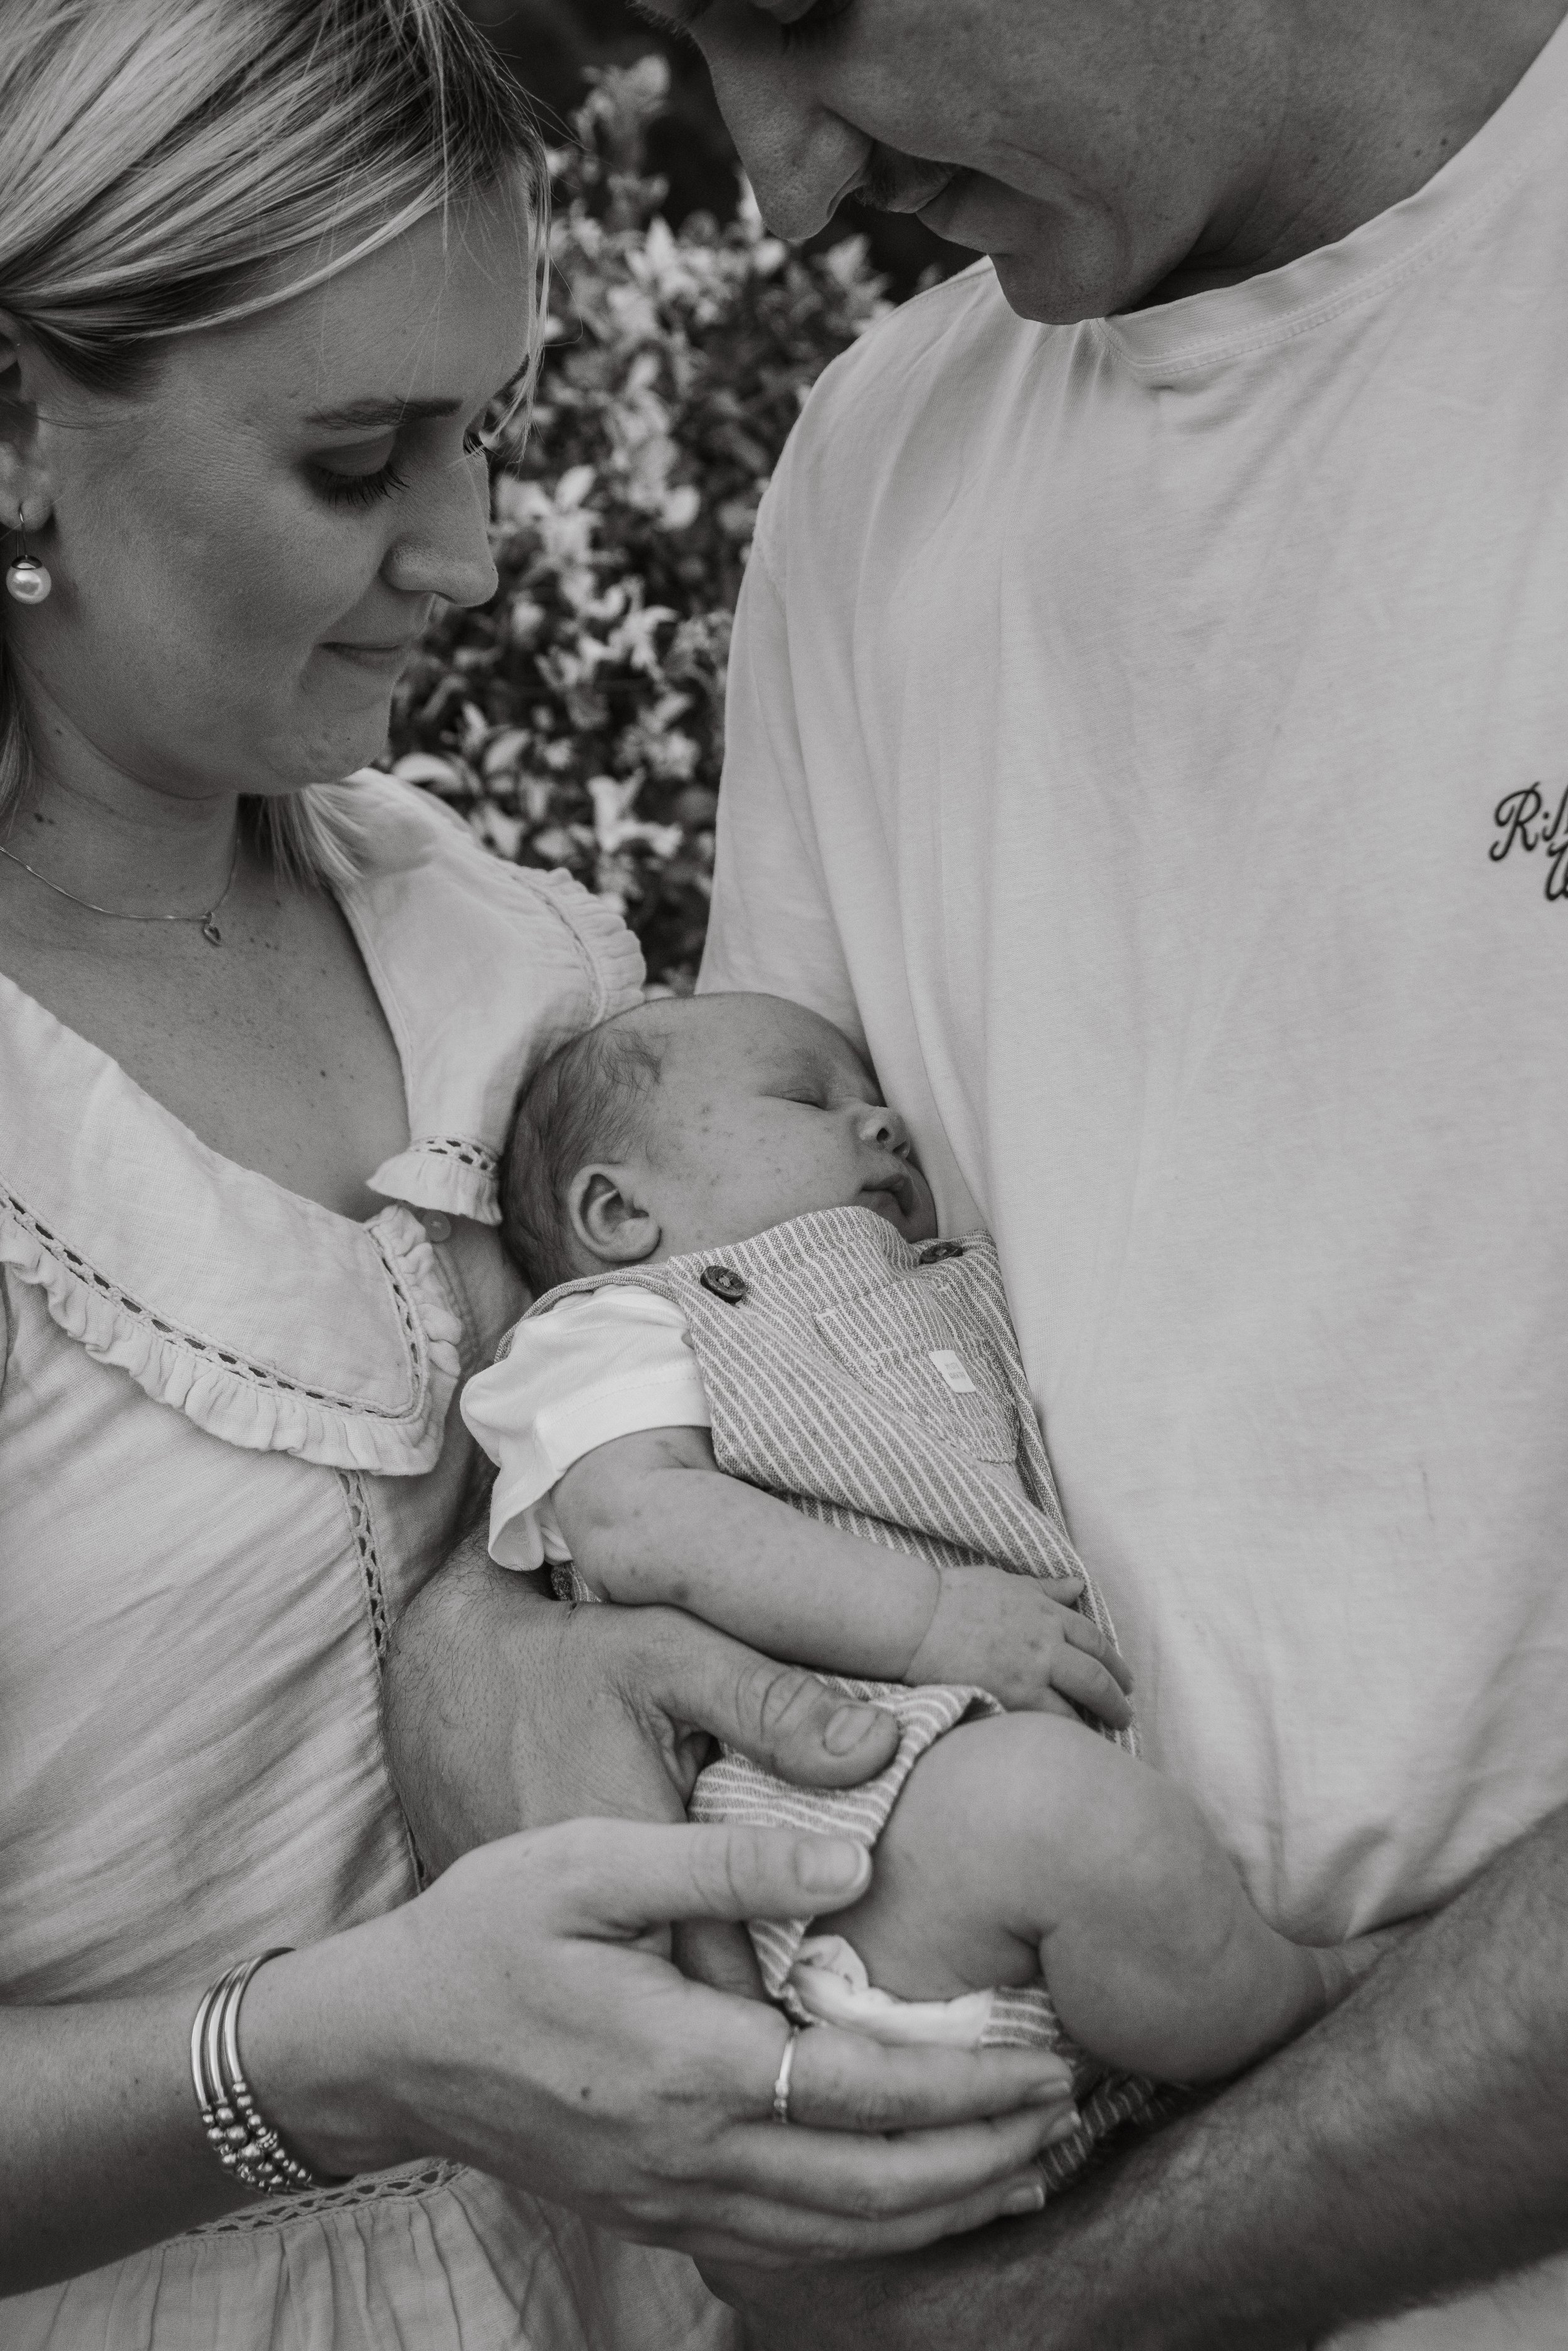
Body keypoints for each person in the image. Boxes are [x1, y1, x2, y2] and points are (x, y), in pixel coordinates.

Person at [0, 4, 1081, 2341]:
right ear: (16, 432)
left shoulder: (522, 964)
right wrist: (328, 2055)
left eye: (482, 429)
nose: (477, 549)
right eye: (360, 455)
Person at [572, 0, 1568, 2343]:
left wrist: (1020, 2320)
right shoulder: (873, 468)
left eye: (801, 12)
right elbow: (733, 1333)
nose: (775, 186)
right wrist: (500, 1686)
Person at [460, 989, 1389, 2121]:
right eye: (811, 1100)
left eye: (880, 1101)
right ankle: (1323, 1997)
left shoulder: (950, 1281)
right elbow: (642, 1524)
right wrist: (929, 1619)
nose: (882, 1124)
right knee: (1075, 1823)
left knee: (1099, 1836)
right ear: (616, 1210)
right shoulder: (619, 1326)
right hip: (858, 1834)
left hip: (1000, 1847)